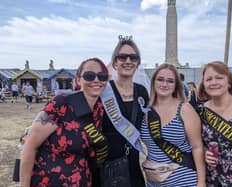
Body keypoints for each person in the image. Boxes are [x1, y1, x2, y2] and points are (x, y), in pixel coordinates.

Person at [20, 57, 110, 187]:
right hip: (48, 181)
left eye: (102, 76)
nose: (96, 80)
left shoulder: (100, 110)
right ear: (78, 79)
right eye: (89, 75)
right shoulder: (62, 103)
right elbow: (29, 145)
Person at [92, 35, 149, 187]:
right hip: (106, 168)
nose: (128, 61)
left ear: (138, 63)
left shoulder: (142, 91)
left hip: (132, 166)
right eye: (122, 57)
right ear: (115, 62)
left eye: (133, 57)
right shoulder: (103, 90)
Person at [141, 63, 205, 186]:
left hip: (183, 179)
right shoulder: (146, 111)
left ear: (176, 85)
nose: (164, 84)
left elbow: (197, 147)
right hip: (154, 181)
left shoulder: (185, 109)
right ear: (153, 82)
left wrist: (201, 182)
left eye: (170, 81)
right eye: (160, 79)